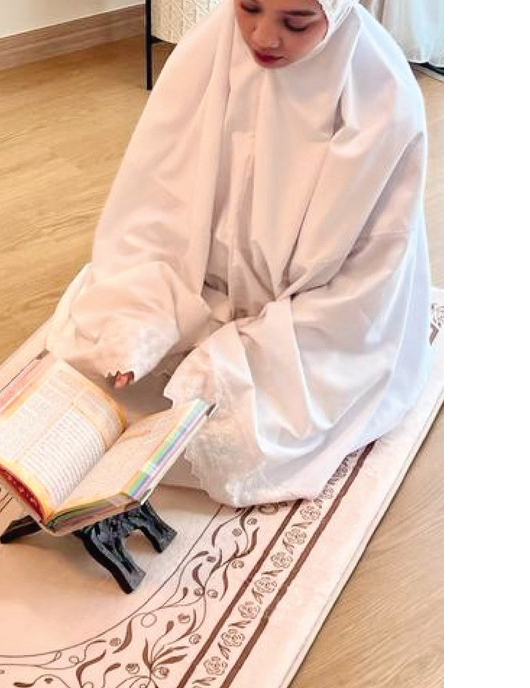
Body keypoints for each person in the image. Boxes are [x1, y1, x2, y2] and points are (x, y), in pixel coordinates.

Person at [44, 0, 432, 506]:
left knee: (240, 433)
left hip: (316, 312)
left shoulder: (381, 94)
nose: (263, 37)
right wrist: (143, 313)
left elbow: (365, 282)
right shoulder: (208, 48)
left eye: (296, 22)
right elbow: (156, 204)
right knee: (93, 362)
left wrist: (238, 361)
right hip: (207, 281)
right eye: (249, 7)